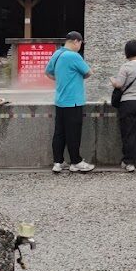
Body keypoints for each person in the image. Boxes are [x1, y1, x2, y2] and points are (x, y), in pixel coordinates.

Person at [44, 31, 93, 173]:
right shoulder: (74, 56)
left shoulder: (57, 54)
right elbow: (89, 72)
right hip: (74, 102)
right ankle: (76, 162)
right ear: (76, 41)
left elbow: (47, 73)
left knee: (59, 132)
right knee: (73, 133)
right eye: (80, 44)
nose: (80, 46)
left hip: (60, 101)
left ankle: (58, 162)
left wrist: (61, 80)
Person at [110, 39, 136, 172]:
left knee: (129, 133)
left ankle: (129, 162)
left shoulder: (126, 67)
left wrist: (112, 80)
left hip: (128, 103)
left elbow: (119, 84)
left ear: (127, 52)